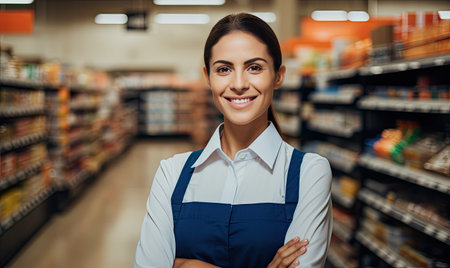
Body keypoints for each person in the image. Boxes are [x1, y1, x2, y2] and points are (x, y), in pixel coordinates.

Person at [134, 13, 332, 268]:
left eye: (255, 68)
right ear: (208, 77)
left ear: (279, 76)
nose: (238, 84)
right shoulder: (172, 173)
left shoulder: (309, 172)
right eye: (224, 69)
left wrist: (185, 264)